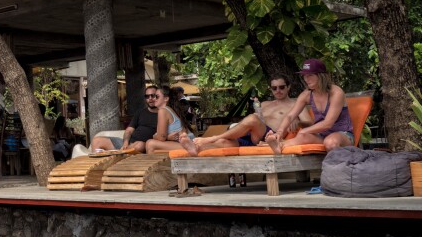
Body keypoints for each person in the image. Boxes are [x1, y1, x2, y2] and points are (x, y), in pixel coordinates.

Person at [179, 75, 312, 156]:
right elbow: (249, 122)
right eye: (274, 88)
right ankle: (196, 148)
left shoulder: (296, 104)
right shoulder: (265, 104)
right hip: (253, 136)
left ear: (288, 87)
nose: (278, 90)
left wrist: (298, 122)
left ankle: (211, 138)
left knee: (253, 119)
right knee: (224, 143)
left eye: (281, 87)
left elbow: (310, 123)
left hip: (271, 136)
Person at [266, 59, 354, 154]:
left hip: (343, 135)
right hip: (321, 135)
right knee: (303, 137)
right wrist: (279, 132)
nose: (306, 79)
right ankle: (279, 145)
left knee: (330, 142)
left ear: (321, 76)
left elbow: (328, 123)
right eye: (304, 76)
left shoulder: (336, 92)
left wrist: (305, 130)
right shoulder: (307, 94)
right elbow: (290, 116)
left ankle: (337, 168)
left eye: (310, 75)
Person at [88, 85, 161, 153]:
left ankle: (118, 154)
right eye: (147, 96)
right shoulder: (140, 112)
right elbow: (129, 131)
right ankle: (102, 163)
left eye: (153, 95)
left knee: (140, 145)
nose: (150, 98)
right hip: (126, 144)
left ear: (158, 96)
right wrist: (125, 143)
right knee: (96, 141)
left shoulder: (163, 114)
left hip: (141, 146)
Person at [142, 87, 194, 153]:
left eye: (157, 96)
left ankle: (153, 163)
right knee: (151, 145)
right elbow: (161, 136)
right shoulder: (168, 109)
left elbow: (161, 137)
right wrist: (166, 137)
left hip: (188, 144)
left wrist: (157, 137)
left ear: (166, 98)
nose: (154, 99)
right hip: (185, 142)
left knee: (150, 144)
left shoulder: (163, 111)